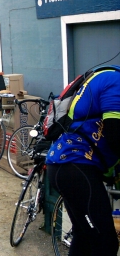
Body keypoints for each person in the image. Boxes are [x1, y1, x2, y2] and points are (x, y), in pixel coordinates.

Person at [46, 65, 120, 256]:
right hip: (75, 167)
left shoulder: (105, 76)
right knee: (105, 242)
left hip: (67, 166)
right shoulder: (115, 82)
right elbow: (115, 134)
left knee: (85, 237)